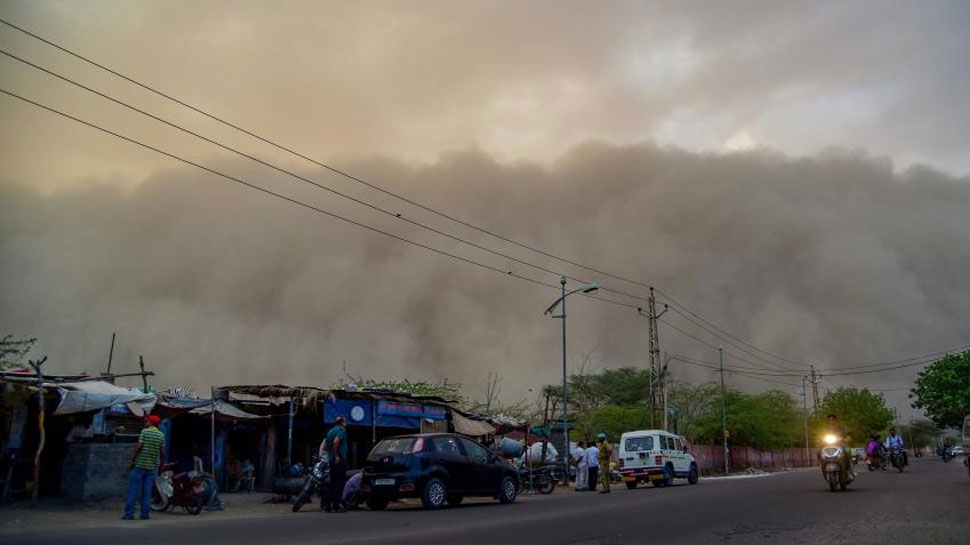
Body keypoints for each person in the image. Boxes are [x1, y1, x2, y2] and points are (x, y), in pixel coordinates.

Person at [123, 415, 165, 520]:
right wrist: (161, 463)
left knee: (133, 490)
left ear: (151, 422)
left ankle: (129, 514)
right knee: (147, 492)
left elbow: (139, 447)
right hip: (152, 467)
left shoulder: (144, 432)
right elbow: (162, 451)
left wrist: (133, 460)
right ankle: (144, 514)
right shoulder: (161, 435)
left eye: (147, 421)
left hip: (139, 465)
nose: (145, 423)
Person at [320, 416, 348, 513]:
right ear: (342, 422)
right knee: (339, 484)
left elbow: (325, 447)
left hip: (332, 460)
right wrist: (337, 456)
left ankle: (327, 505)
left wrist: (332, 454)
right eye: (345, 421)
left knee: (333, 483)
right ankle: (336, 506)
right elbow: (336, 442)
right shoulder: (341, 430)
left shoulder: (330, 431)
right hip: (339, 460)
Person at [824, 414, 855, 479]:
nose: (831, 421)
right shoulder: (825, 429)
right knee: (819, 452)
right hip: (828, 446)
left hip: (840, 445)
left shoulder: (841, 428)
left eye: (832, 419)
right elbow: (820, 437)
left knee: (847, 451)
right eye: (829, 420)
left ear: (835, 420)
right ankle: (823, 466)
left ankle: (849, 471)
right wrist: (818, 440)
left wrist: (846, 439)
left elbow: (847, 436)